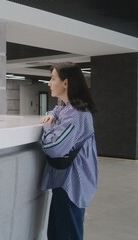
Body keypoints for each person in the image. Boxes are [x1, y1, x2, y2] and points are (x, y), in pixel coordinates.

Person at [39, 62, 98, 240]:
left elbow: (53, 148)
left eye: (53, 78)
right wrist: (53, 116)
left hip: (72, 185)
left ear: (66, 83)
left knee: (66, 235)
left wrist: (48, 126)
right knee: (57, 234)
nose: (49, 82)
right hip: (66, 183)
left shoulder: (77, 114)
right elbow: (57, 110)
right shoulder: (68, 108)